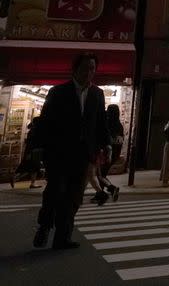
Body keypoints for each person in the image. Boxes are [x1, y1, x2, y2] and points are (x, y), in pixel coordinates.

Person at [33, 52, 111, 250]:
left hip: (84, 154)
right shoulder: (59, 92)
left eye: (92, 68)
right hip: (59, 152)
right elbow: (45, 122)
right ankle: (44, 226)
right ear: (75, 69)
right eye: (85, 68)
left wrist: (106, 144)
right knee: (54, 191)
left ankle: (63, 237)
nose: (89, 72)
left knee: (74, 197)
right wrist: (38, 147)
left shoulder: (97, 94)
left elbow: (100, 123)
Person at [11, 117, 43, 189]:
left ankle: (17, 178)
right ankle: (17, 178)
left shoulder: (32, 130)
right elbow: (32, 143)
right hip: (33, 152)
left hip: (30, 151)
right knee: (33, 168)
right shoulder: (35, 131)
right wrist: (29, 153)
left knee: (31, 168)